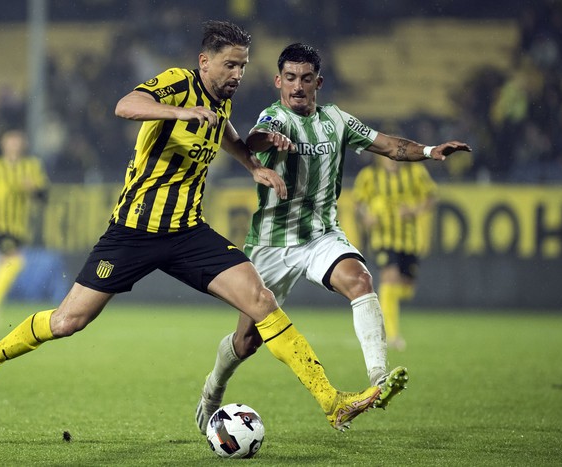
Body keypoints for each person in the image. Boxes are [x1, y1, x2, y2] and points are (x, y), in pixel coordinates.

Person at [0, 21, 381, 432]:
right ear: (205, 61)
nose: (238, 74)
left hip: (188, 232)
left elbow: (224, 129)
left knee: (260, 300)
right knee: (67, 322)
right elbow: (125, 105)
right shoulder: (179, 82)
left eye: (243, 66)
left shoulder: (220, 99)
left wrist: (251, 164)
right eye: (230, 65)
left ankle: (331, 402)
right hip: (132, 232)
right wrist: (180, 113)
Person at [195, 43, 472, 434]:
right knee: (246, 342)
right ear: (278, 81)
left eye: (306, 79)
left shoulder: (337, 121)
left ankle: (378, 379)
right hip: (271, 245)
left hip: (322, 236)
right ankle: (212, 389)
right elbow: (255, 137)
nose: (297, 86)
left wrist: (430, 150)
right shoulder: (275, 117)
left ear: (318, 83)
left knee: (361, 280)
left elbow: (390, 146)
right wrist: (267, 141)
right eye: (289, 78)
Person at [353, 155, 438, 351]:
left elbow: (432, 196)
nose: (392, 160)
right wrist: (365, 217)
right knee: (389, 278)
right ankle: (392, 335)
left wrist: (414, 210)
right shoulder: (369, 175)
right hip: (383, 238)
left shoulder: (415, 173)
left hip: (409, 239)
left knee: (406, 288)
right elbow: (358, 203)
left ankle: (388, 304)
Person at [0, 129, 49, 332]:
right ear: (2, 144)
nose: (13, 145)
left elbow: (43, 196)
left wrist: (32, 189)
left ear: (23, 145)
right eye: (10, 141)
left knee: (6, 265)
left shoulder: (31, 166)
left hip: (19, 226)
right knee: (14, 260)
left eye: (17, 141)